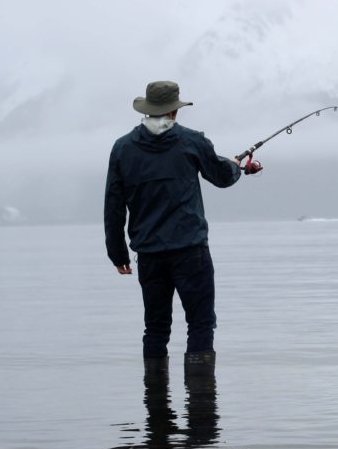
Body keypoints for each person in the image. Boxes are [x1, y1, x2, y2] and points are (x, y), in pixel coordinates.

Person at [105, 81, 262, 377]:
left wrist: (117, 253)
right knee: (201, 323)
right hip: (191, 251)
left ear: (147, 109)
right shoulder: (192, 141)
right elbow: (221, 176)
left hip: (149, 254)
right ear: (175, 110)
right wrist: (240, 167)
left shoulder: (123, 148)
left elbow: (113, 204)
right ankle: (201, 403)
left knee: (155, 327)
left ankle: (155, 403)